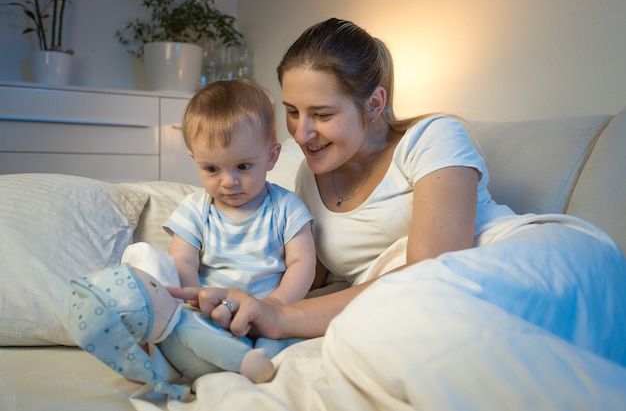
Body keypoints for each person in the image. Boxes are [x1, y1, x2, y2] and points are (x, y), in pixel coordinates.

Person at [168, 18, 625, 346]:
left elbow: (434, 270)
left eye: (322, 114)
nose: (301, 133)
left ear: (374, 102)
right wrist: (236, 292)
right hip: (410, 301)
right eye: (292, 111)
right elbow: (307, 270)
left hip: (516, 264)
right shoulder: (309, 177)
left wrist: (283, 317)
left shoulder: (432, 138)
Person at [164, 79, 316, 328]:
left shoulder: (287, 207)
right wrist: (196, 302)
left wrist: (276, 304)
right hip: (209, 315)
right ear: (196, 160)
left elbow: (303, 263)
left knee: (276, 349)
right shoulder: (194, 210)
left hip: (267, 315)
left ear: (271, 157)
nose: (229, 181)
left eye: (243, 167)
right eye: (211, 169)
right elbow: (182, 261)